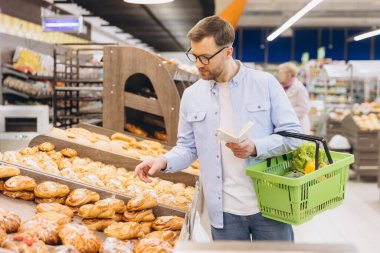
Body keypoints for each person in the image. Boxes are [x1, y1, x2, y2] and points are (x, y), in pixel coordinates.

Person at [134, 15, 301, 241]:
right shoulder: (192, 96)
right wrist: (163, 161)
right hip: (224, 212)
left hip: (271, 204)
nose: (198, 64)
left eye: (205, 57)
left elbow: (293, 137)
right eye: (194, 56)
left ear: (228, 52)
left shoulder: (265, 84)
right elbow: (187, 147)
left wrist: (255, 147)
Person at [278, 62, 311, 134]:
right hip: (286, 125)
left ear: (288, 74)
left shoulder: (299, 88)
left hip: (298, 125)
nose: (279, 76)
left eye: (280, 73)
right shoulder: (282, 87)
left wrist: (286, 112)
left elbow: (304, 108)